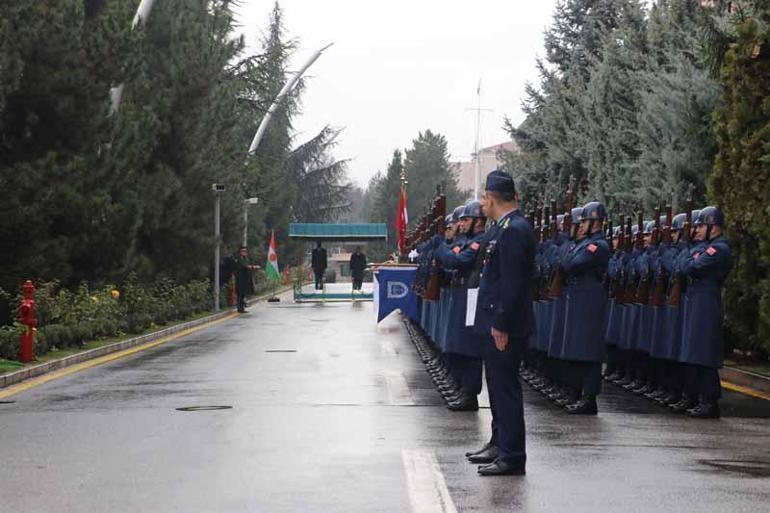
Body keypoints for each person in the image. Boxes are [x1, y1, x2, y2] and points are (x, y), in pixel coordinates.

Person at [466, 169, 535, 477]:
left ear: (492, 198)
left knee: (505, 388)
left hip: (505, 324)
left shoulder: (515, 229)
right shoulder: (503, 227)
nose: (482, 201)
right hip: (495, 320)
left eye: (484, 196)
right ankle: (499, 443)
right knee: (495, 385)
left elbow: (513, 282)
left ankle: (512, 455)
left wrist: (501, 323)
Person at [432, 201, 488, 412]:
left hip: (470, 296)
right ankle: (461, 388)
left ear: (478, 221)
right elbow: (452, 262)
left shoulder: (479, 242)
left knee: (468, 347)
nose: (461, 224)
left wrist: (441, 247)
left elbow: (457, 260)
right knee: (455, 345)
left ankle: (470, 394)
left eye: (465, 220)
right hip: (460, 293)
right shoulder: (468, 241)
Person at [677, 206, 732, 418]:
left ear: (714, 227)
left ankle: (710, 401)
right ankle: (702, 398)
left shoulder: (718, 249)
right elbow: (683, 264)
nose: (697, 230)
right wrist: (689, 255)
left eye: (701, 226)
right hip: (697, 299)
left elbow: (690, 267)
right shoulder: (705, 247)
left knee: (704, 353)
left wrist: (689, 256)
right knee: (695, 352)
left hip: (707, 301)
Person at [558, 201, 610, 414]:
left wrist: (567, 250)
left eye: (584, 221)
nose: (580, 226)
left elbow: (570, 264)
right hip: (579, 297)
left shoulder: (596, 246)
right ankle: (578, 392)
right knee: (577, 347)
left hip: (589, 299)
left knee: (588, 350)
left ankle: (589, 397)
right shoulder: (582, 244)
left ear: (594, 223)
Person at [235, 246, 259, 313]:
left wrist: (252, 267)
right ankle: (239, 308)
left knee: (243, 294)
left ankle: (242, 307)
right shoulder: (239, 259)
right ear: (240, 252)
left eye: (245, 251)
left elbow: (247, 265)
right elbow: (245, 266)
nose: (245, 252)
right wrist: (253, 267)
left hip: (245, 279)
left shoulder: (245, 259)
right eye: (243, 251)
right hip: (240, 279)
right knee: (240, 294)